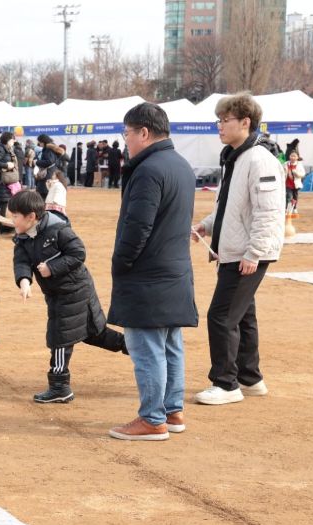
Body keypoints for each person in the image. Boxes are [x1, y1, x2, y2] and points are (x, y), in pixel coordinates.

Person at [106, 103, 198, 441]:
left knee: (146, 348)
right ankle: (172, 410)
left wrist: (121, 262)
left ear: (144, 132)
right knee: (171, 343)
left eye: (127, 133)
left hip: (148, 274)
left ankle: (152, 418)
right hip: (174, 270)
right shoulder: (180, 165)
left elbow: (137, 226)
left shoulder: (148, 169)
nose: (125, 140)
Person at [192, 92, 284, 406]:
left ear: (245, 122)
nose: (219, 126)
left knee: (220, 316)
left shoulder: (259, 159)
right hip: (235, 249)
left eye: (225, 120)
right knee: (242, 315)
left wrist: (254, 253)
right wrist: (206, 224)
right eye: (219, 119)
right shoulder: (237, 156)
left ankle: (225, 383)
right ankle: (250, 378)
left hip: (246, 252)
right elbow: (230, 204)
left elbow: (268, 211)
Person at [10, 189, 127, 404]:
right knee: (95, 334)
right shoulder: (23, 237)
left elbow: (78, 253)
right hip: (56, 294)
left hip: (75, 291)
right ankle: (140, 347)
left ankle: (59, 386)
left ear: (31, 217)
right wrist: (24, 280)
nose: (12, 219)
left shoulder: (58, 230)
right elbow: (21, 261)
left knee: (61, 337)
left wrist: (52, 268)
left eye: (15, 215)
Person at [0, 131, 19, 220]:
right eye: (12, 139)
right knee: (3, 202)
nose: (14, 141)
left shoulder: (7, 149)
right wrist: (6, 165)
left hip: (4, 179)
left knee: (0, 202)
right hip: (2, 180)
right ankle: (1, 225)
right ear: (7, 140)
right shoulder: (1, 149)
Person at [285, 151, 305, 218]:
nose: (293, 157)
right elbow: (282, 171)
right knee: (289, 197)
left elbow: (303, 174)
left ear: (297, 157)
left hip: (296, 184)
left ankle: (294, 208)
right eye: (291, 156)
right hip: (288, 184)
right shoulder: (286, 164)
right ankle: (287, 210)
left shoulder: (299, 165)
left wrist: (296, 173)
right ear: (289, 157)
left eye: (294, 156)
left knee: (295, 197)